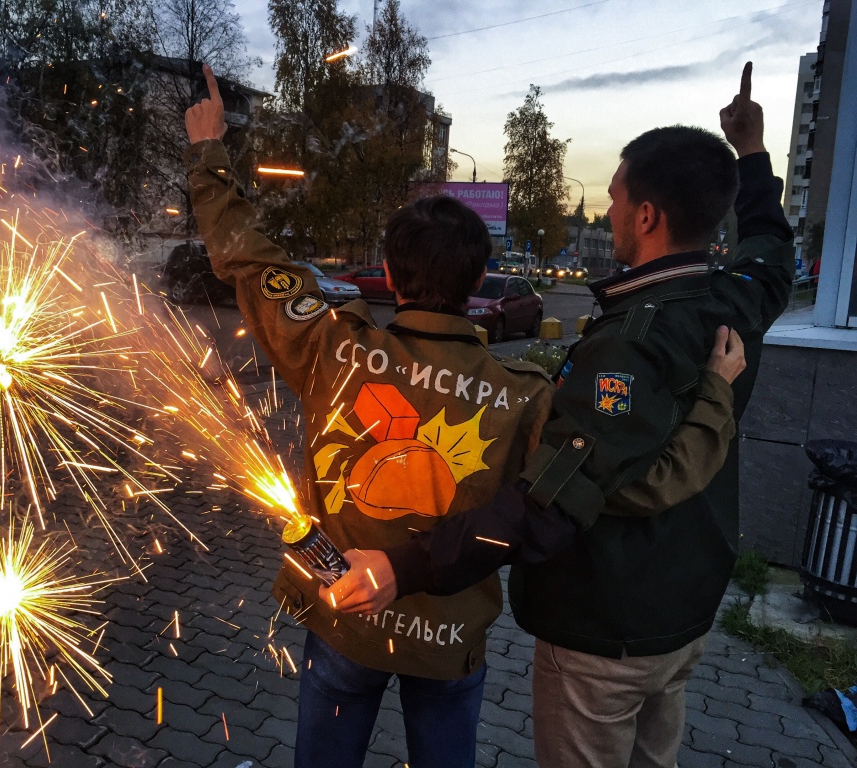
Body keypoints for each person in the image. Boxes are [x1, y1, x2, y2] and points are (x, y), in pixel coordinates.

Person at [183, 65, 743, 768]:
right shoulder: (528, 394)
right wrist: (713, 401)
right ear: (480, 282)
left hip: (342, 614)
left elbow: (246, 260)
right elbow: (623, 486)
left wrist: (208, 154)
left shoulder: (331, 346)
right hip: (449, 640)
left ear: (387, 275)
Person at [326, 62, 794, 768]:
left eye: (613, 199)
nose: (607, 212)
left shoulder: (629, 346)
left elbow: (547, 508)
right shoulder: (736, 298)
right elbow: (775, 253)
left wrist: (406, 565)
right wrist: (753, 154)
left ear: (646, 216)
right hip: (685, 617)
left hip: (606, 635)